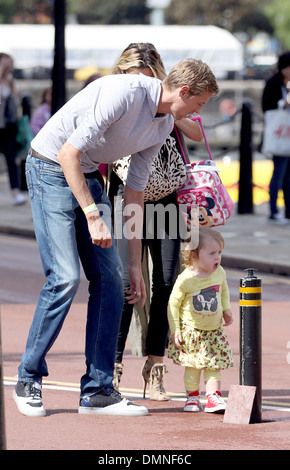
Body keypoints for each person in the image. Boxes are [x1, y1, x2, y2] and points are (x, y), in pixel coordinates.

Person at [13, 57, 219, 418]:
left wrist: (135, 268)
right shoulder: (124, 93)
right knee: (64, 278)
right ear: (184, 92)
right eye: (199, 104)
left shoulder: (163, 124)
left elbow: (135, 195)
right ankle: (28, 377)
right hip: (48, 166)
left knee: (112, 281)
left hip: (87, 172)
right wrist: (93, 215)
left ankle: (97, 391)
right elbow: (68, 153)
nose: (198, 112)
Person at [109, 43, 205, 401]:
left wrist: (165, 113)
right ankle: (112, 369)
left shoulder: (169, 102)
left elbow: (197, 133)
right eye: (136, 80)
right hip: (126, 198)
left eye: (148, 80)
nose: (141, 88)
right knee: (125, 286)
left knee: (167, 281)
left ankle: (156, 366)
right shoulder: (113, 98)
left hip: (165, 199)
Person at [167, 227, 234, 413]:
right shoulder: (185, 279)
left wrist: (226, 309)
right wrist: (175, 330)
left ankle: (213, 397)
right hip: (192, 332)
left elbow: (224, 290)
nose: (217, 257)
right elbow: (173, 304)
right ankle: (192, 397)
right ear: (194, 255)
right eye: (212, 253)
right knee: (193, 366)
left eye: (219, 252)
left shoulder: (219, 272)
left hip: (214, 331)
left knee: (214, 364)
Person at [262, 51, 290, 224]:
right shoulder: (273, 84)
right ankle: (273, 210)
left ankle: (287, 211)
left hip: (287, 137)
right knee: (278, 174)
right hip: (280, 137)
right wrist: (284, 103)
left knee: (288, 177)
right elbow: (267, 107)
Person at [0, 52, 27, 205]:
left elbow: (16, 104)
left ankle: (15, 192)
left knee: (12, 160)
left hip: (8, 128)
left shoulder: (10, 82)